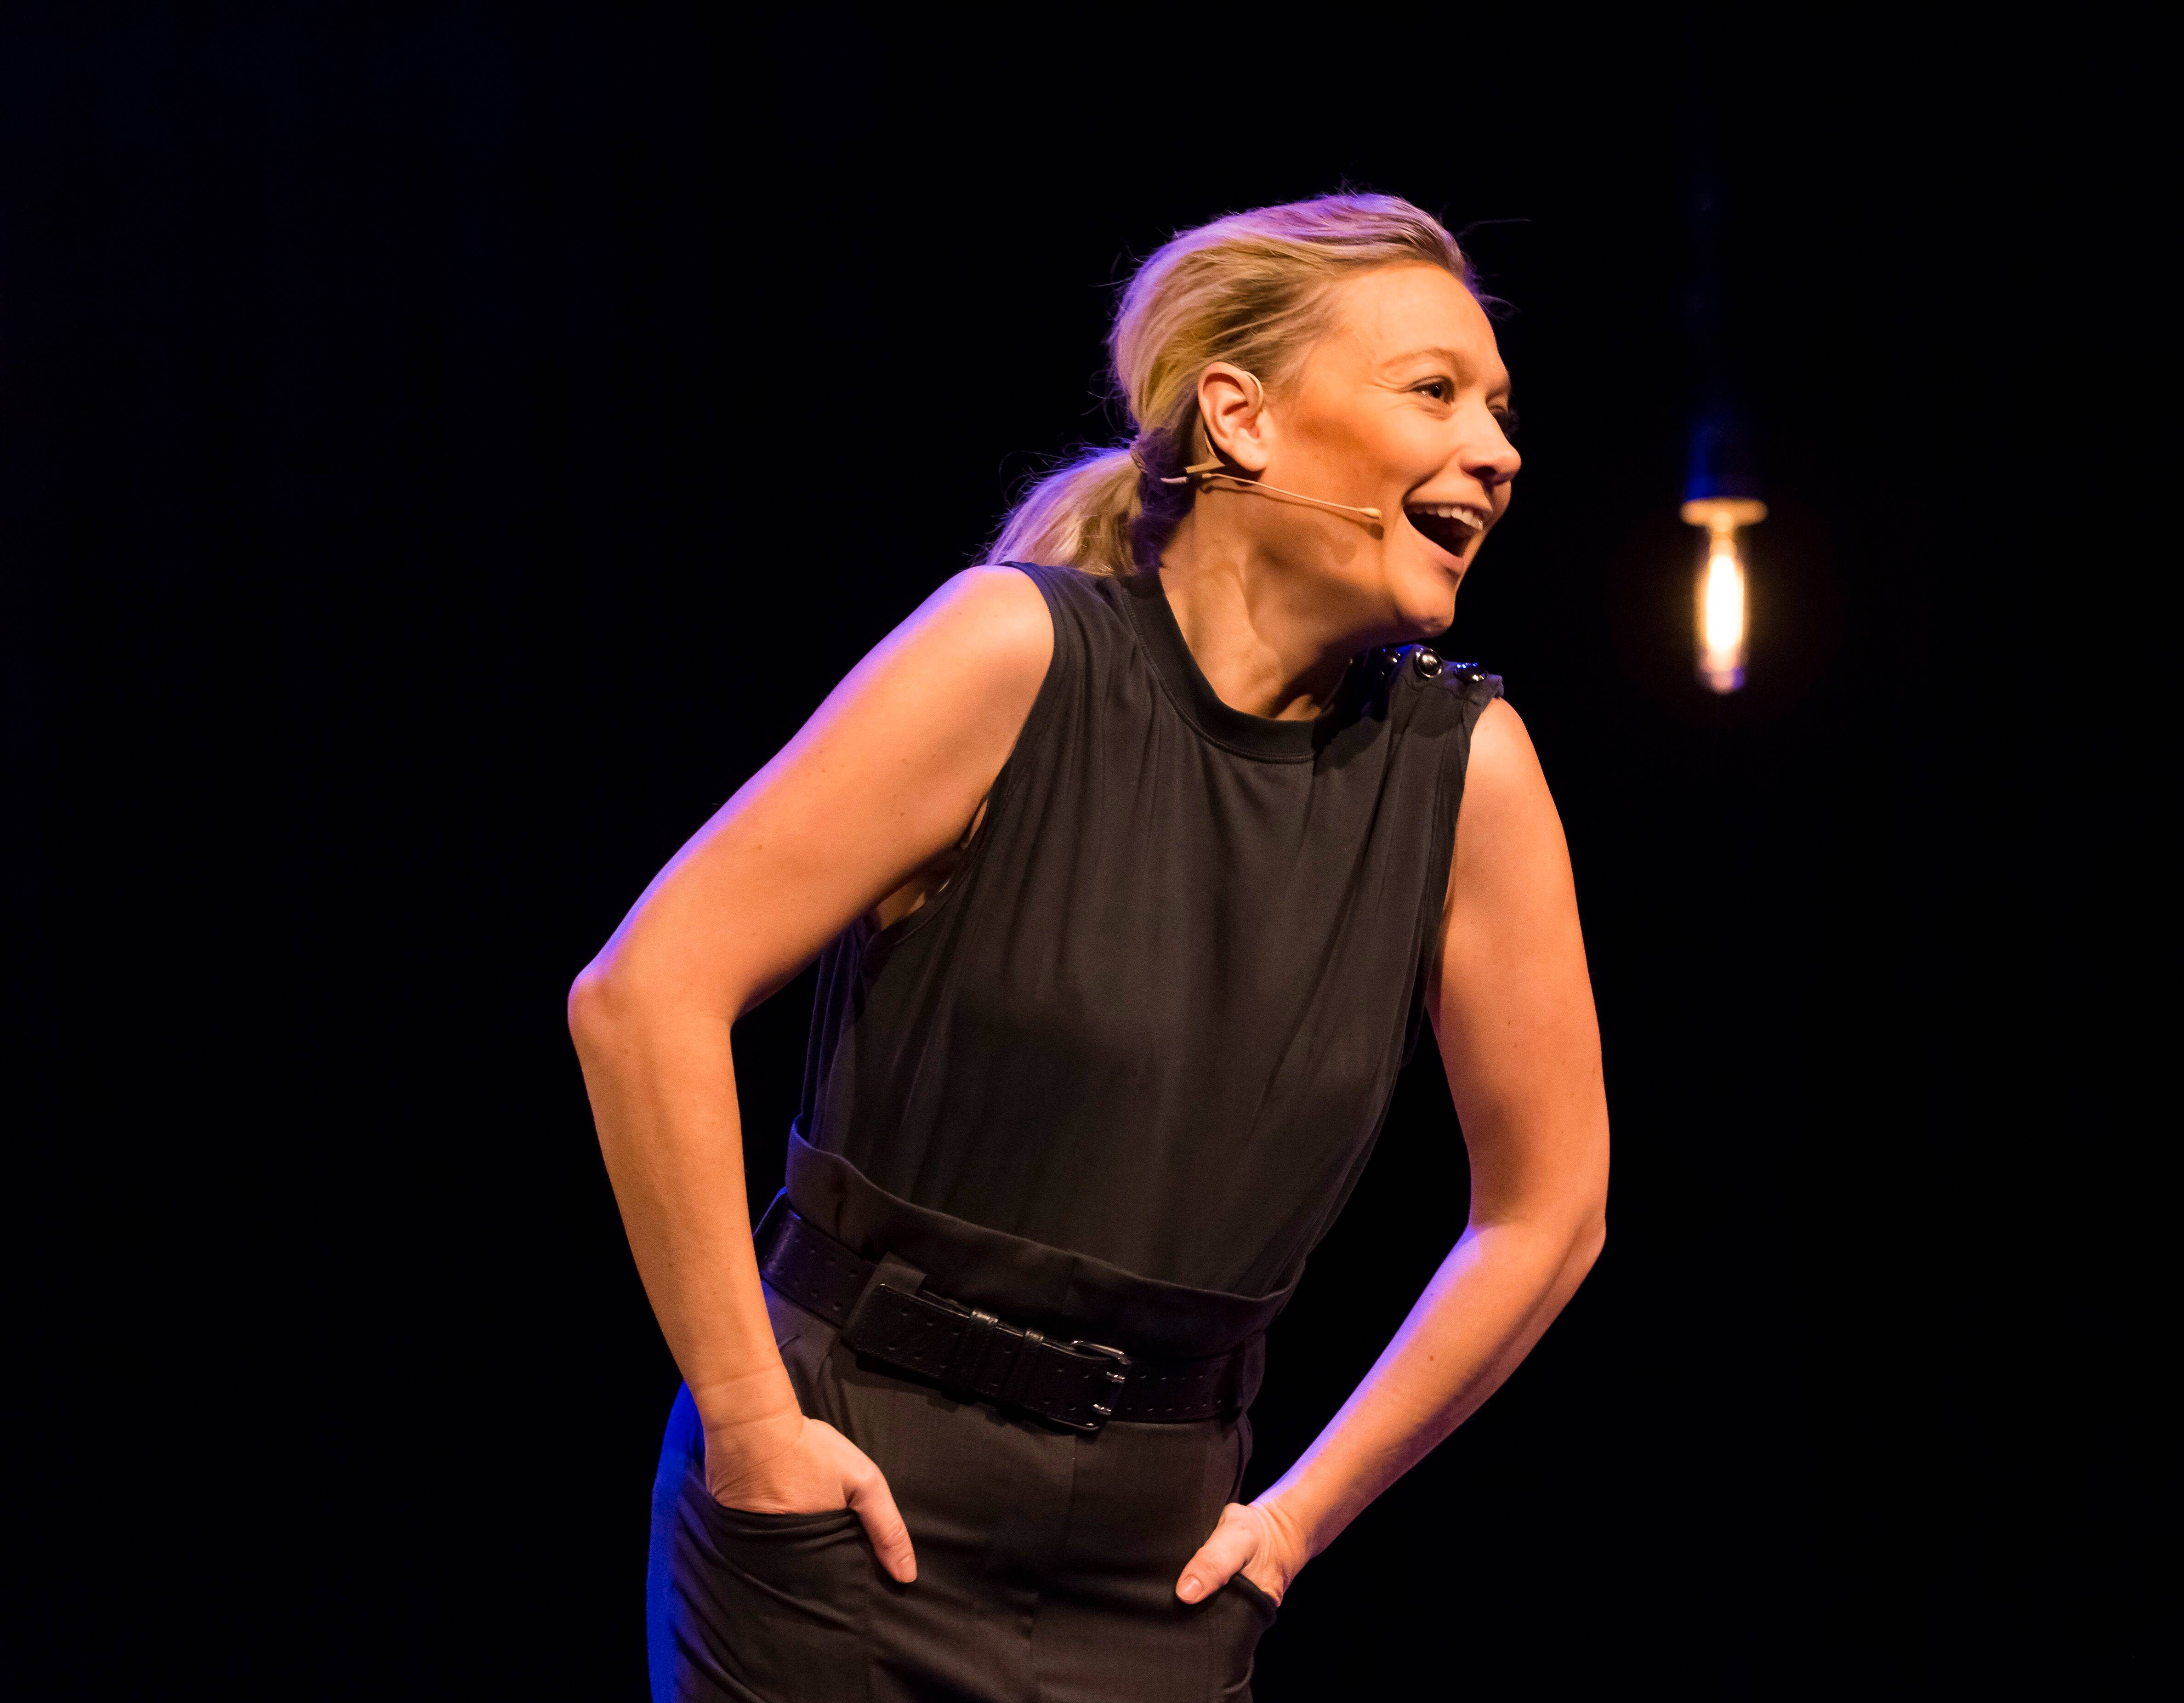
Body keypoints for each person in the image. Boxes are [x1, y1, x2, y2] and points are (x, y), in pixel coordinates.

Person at [568, 193, 1610, 1703]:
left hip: (1166, 1558)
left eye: (1501, 408)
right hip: (850, 1502)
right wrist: (746, 1418)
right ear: (1240, 417)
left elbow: (1552, 1206)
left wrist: (1302, 1518)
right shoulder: (1013, 653)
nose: (1501, 450)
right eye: (1435, 390)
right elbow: (643, 994)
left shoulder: (1469, 770)